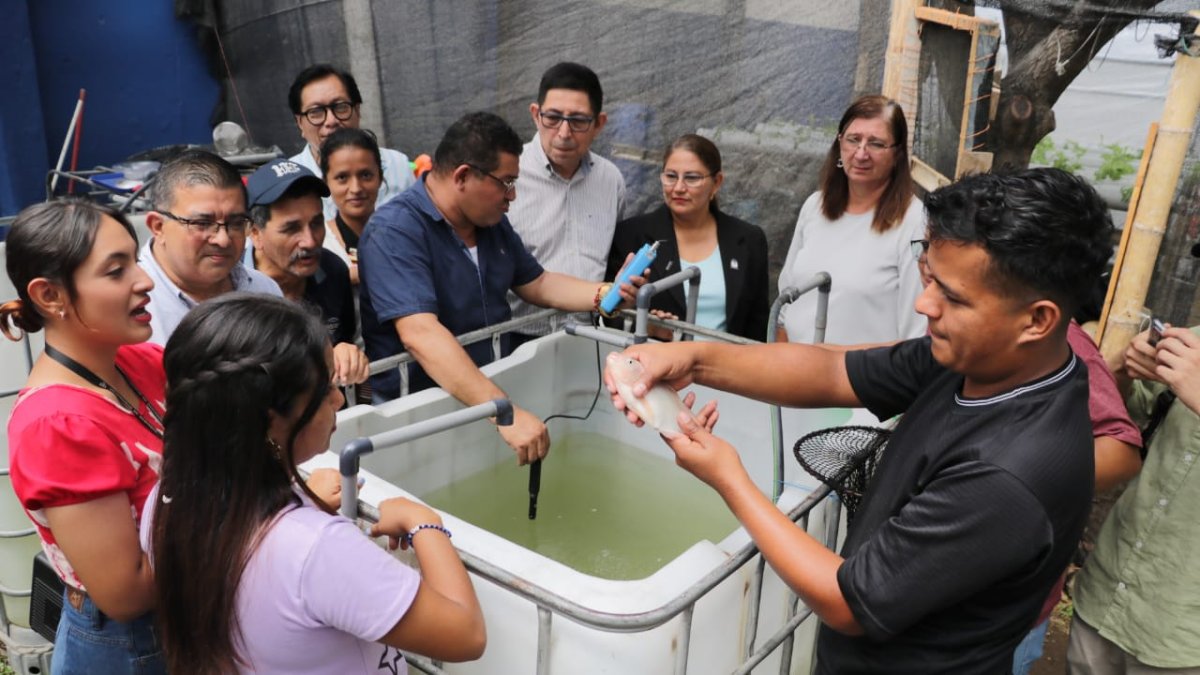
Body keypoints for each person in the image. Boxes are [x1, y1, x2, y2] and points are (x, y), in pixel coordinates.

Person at [607, 168, 1114, 673]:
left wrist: (728, 476)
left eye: (953, 297)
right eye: (928, 276)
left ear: (1038, 319)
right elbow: (833, 371)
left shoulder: (1009, 474)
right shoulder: (982, 362)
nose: (924, 304)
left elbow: (850, 602)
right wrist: (690, 360)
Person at [145, 293, 485, 674]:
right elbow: (466, 633)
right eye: (324, 389)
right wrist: (425, 522)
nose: (339, 399)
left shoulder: (165, 500)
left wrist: (304, 500)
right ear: (272, 419)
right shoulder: (317, 549)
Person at [358, 111, 643, 466]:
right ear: (463, 176)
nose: (513, 195)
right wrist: (504, 411)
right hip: (422, 412)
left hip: (483, 397)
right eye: (506, 182)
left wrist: (604, 294)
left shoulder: (489, 223)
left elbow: (538, 282)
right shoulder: (395, 231)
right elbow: (421, 333)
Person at [2, 198, 165, 673]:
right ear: (50, 296)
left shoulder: (137, 362)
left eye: (136, 259)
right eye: (116, 271)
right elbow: (126, 594)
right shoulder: (58, 426)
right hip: (132, 647)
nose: (145, 280)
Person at [1009, 321, 1143, 675]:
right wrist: (1122, 367)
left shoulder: (1060, 339)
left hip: (1009, 604)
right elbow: (1135, 404)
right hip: (1101, 600)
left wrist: (1009, 488)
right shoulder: (1189, 341)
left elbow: (1121, 446)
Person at [1067, 323, 1200, 674]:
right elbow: (1126, 414)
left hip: (1183, 636)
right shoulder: (1193, 340)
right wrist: (1125, 370)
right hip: (1106, 590)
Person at [777, 95, 926, 344]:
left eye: (876, 144)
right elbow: (785, 302)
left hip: (863, 379)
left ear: (898, 154)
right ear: (839, 144)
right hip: (794, 372)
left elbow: (915, 331)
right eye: (853, 140)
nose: (861, 154)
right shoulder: (815, 206)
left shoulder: (913, 222)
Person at [507, 62, 627, 343]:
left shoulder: (611, 180)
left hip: (590, 333)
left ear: (599, 124)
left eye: (578, 121)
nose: (563, 133)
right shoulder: (510, 175)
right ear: (536, 114)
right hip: (518, 335)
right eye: (553, 117)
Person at [607, 133, 768, 340]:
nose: (679, 188)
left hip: (725, 367)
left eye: (692, 178)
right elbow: (608, 315)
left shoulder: (749, 240)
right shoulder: (631, 236)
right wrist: (648, 326)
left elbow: (756, 327)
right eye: (671, 176)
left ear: (717, 182)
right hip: (657, 365)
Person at [245, 158, 369, 387]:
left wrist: (344, 354)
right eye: (291, 228)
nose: (310, 241)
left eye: (316, 223)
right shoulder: (231, 289)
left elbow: (343, 340)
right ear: (255, 233)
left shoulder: (333, 271)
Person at [140, 149, 281, 344]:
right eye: (202, 223)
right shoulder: (129, 308)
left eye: (236, 223)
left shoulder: (264, 291)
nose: (223, 240)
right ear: (158, 226)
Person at [287, 63, 415, 220]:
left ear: (357, 111)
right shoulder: (288, 181)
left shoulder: (397, 165)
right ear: (299, 122)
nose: (331, 121)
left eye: (341, 107)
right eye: (316, 112)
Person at [319, 127, 384, 285]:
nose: (356, 188)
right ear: (326, 182)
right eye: (342, 177)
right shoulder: (319, 242)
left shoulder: (403, 236)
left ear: (380, 178)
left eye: (366, 175)